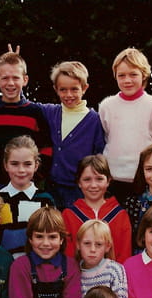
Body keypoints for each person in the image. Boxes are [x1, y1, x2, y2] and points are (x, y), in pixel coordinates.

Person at [99, 47, 152, 205]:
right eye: (121, 75)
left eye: (133, 74)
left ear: (143, 75)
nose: (127, 80)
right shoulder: (106, 106)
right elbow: (105, 139)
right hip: (112, 180)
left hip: (144, 180)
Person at [0, 51, 52, 192]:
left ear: (25, 80)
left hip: (25, 181)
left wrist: (37, 174)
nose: (10, 83)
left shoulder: (34, 113)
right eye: (5, 78)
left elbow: (46, 148)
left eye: (16, 78)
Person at [37, 61, 105, 209]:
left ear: (84, 88)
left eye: (74, 89)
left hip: (79, 191)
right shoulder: (50, 112)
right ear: (56, 89)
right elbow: (24, 105)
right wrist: (16, 70)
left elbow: (99, 155)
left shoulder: (95, 120)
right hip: (51, 187)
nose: (69, 95)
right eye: (63, 90)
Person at [62, 154, 131, 263]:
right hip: (78, 272)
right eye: (87, 179)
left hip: (113, 272)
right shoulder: (68, 215)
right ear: (79, 182)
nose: (93, 185)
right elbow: (68, 256)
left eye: (99, 179)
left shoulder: (120, 215)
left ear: (108, 181)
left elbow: (125, 254)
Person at [0, 135, 55, 257]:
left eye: (27, 164)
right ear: (6, 165)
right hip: (4, 264)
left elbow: (52, 236)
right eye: (14, 164)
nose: (21, 170)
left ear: (36, 165)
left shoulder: (45, 200)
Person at [73, 220, 128, 298]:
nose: (92, 249)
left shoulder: (114, 270)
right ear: (78, 244)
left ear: (107, 246)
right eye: (87, 243)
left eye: (98, 244)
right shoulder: (74, 272)